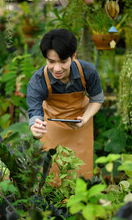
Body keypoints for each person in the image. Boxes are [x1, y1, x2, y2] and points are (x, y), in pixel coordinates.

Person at [26, 29, 104, 180]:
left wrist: (85, 118)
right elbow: (35, 112)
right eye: (51, 61)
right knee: (52, 173)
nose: (57, 68)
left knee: (82, 171)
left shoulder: (87, 72)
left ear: (73, 56)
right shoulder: (38, 81)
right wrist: (35, 127)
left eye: (63, 61)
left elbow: (97, 99)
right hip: (52, 126)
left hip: (81, 123)